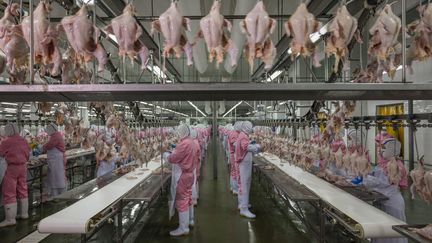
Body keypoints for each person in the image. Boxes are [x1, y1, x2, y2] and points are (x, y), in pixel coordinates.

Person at [361, 136, 408, 243]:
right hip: (381, 200)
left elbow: (383, 182)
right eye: (380, 147)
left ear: (392, 150)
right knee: (381, 231)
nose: (380, 150)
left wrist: (366, 177)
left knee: (393, 231)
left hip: (392, 202)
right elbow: (375, 178)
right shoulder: (382, 164)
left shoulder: (397, 166)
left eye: (383, 148)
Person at [164, 124, 197, 236]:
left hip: (183, 176)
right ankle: (189, 221)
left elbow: (173, 158)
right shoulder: (191, 141)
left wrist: (166, 155)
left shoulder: (184, 144)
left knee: (181, 200)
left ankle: (183, 228)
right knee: (187, 198)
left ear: (181, 132)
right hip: (189, 175)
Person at [0, 123, 30, 227]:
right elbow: (28, 154)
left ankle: (10, 219)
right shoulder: (24, 140)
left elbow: (1, 153)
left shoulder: (6, 141)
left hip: (12, 168)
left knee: (9, 192)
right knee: (23, 189)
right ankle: (24, 214)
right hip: (23, 167)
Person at [235, 121, 261, 218]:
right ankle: (244, 209)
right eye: (250, 127)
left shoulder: (243, 135)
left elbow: (245, 145)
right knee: (244, 185)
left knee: (244, 184)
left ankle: (242, 204)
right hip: (244, 164)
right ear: (247, 127)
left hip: (244, 163)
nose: (251, 128)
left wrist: (251, 143)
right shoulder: (243, 136)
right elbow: (246, 147)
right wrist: (257, 147)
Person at [42, 123, 67, 199]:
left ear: (51, 129)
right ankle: (55, 194)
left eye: (48, 130)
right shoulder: (55, 135)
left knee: (57, 177)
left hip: (56, 160)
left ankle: (59, 195)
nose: (47, 131)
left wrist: (43, 147)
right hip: (55, 160)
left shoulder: (55, 135)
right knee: (55, 177)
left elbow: (50, 145)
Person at [189, 128, 200, 225]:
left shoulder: (191, 144)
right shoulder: (196, 142)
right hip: (195, 164)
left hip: (191, 167)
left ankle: (194, 198)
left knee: (192, 183)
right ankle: (195, 197)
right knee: (195, 181)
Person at [228, 121, 242, 194]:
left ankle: (232, 187)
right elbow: (234, 144)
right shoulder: (234, 133)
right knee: (235, 172)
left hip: (234, 154)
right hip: (234, 154)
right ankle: (235, 189)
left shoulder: (236, 132)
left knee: (233, 171)